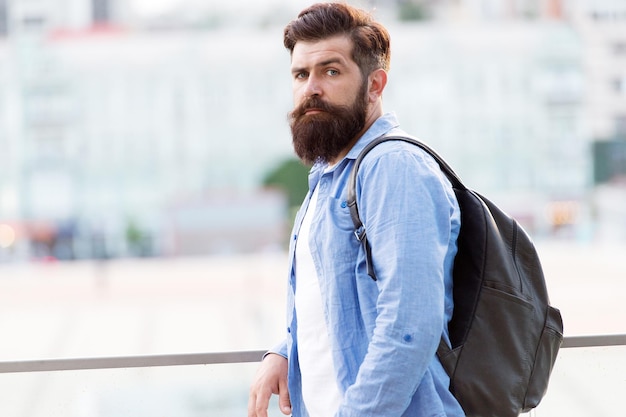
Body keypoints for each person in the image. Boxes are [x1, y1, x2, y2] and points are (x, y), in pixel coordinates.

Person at [248, 3, 465, 416]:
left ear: (374, 85)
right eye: (301, 74)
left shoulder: (393, 167)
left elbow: (409, 326)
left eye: (331, 71)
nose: (312, 87)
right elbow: (334, 301)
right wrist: (284, 350)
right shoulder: (328, 177)